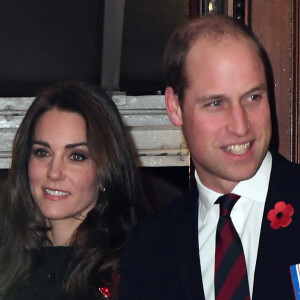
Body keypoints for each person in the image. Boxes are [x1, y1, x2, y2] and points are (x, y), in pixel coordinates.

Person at [119, 14, 300, 300]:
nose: (241, 126)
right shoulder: (148, 249)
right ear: (175, 107)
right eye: (216, 104)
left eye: (253, 97)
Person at [0, 81, 146, 299]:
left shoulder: (132, 275)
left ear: (106, 170)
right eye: (42, 153)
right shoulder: (9, 260)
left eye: (76, 156)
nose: (54, 172)